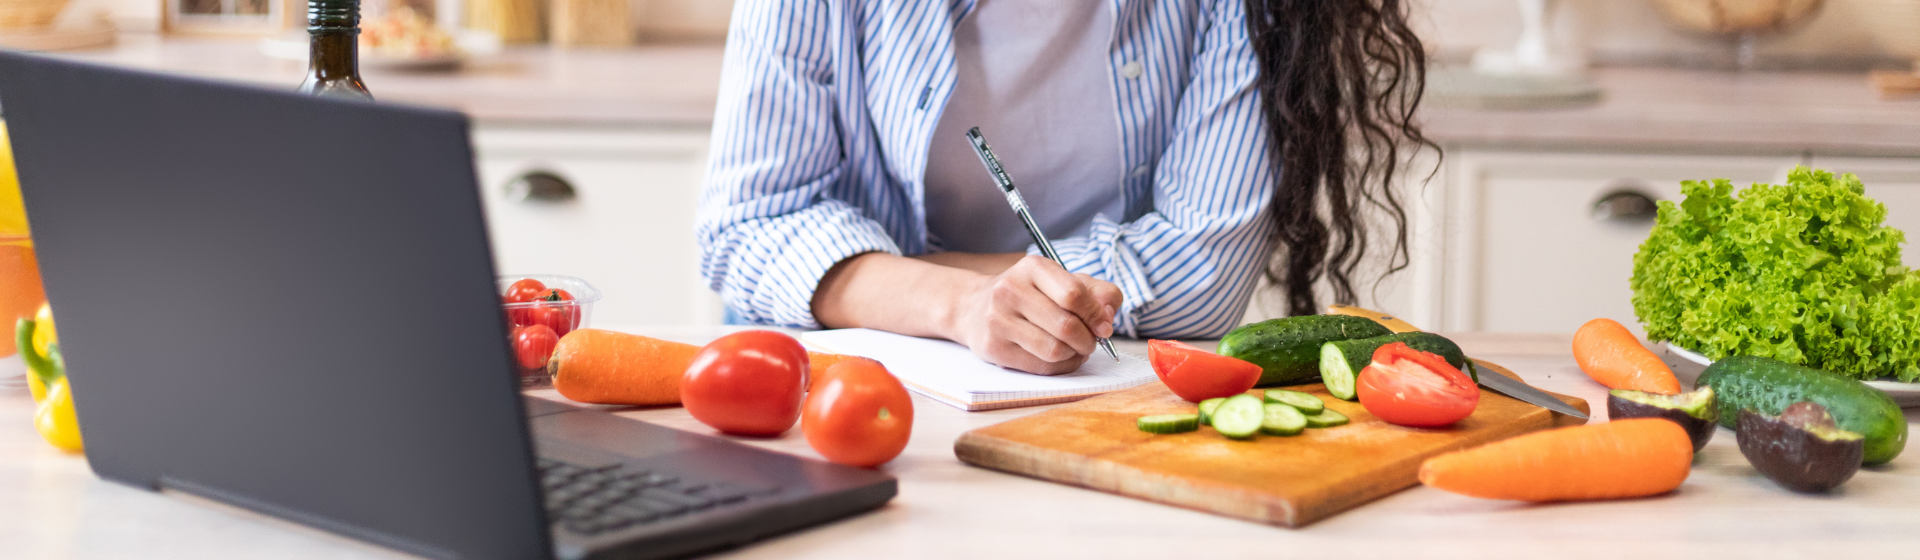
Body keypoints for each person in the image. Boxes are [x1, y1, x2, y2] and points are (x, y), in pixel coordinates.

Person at [697, 0, 1432, 374]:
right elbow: (748, 226)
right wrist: (964, 306)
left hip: (1095, 391)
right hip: (841, 387)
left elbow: (1204, 277)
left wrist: (887, 274)